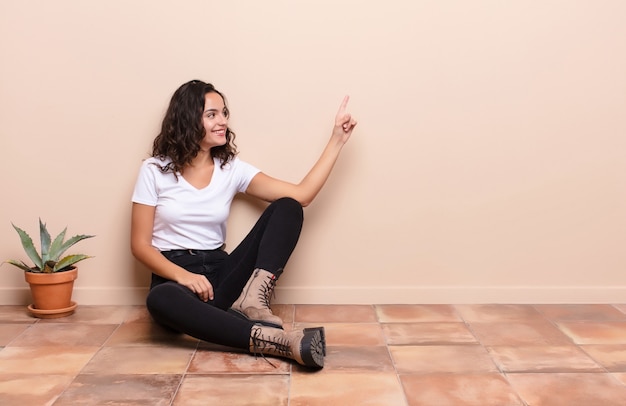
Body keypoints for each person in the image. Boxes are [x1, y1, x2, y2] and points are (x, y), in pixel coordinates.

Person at [130, 80, 356, 369]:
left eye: (224, 113)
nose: (223, 121)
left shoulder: (230, 169)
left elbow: (303, 195)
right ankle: (280, 343)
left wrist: (337, 140)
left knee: (288, 206)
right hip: (175, 278)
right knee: (160, 299)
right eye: (212, 115)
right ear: (187, 118)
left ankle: (252, 302)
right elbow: (139, 245)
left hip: (221, 276)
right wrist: (182, 276)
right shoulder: (154, 170)